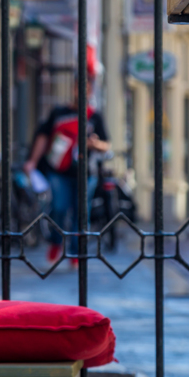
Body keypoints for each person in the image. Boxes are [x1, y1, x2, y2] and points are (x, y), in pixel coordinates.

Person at [23, 47, 110, 267]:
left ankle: (76, 254)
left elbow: (106, 144)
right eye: (79, 86)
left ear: (91, 90)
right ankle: (55, 243)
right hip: (59, 171)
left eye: (87, 87)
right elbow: (43, 136)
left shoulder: (95, 116)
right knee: (60, 209)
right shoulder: (59, 113)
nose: (83, 90)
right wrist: (32, 161)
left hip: (85, 172)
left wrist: (94, 143)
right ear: (73, 88)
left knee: (82, 214)